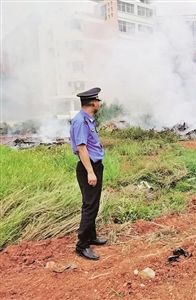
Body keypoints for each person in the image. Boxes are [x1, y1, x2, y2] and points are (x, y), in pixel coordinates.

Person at [70, 87, 107, 260]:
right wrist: (90, 172)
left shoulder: (88, 119)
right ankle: (82, 245)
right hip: (88, 167)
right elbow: (81, 147)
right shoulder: (81, 121)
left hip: (94, 166)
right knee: (89, 206)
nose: (99, 103)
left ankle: (91, 236)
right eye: (98, 100)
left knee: (93, 204)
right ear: (92, 102)